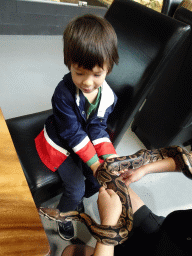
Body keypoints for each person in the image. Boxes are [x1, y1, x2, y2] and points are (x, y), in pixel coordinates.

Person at [35, 14, 119, 240]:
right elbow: (73, 134)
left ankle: (74, 205)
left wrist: (111, 158)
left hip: (82, 143)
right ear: (69, 64)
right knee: (76, 188)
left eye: (97, 74)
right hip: (61, 143)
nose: (88, 82)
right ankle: (63, 215)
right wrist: (94, 163)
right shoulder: (63, 94)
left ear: (109, 68)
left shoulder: (109, 96)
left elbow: (98, 129)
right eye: (79, 73)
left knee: (94, 181)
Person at [62, 154, 192, 256]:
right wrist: (144, 169)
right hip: (159, 233)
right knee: (114, 180)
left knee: (70, 251)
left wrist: (108, 223)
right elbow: (188, 160)